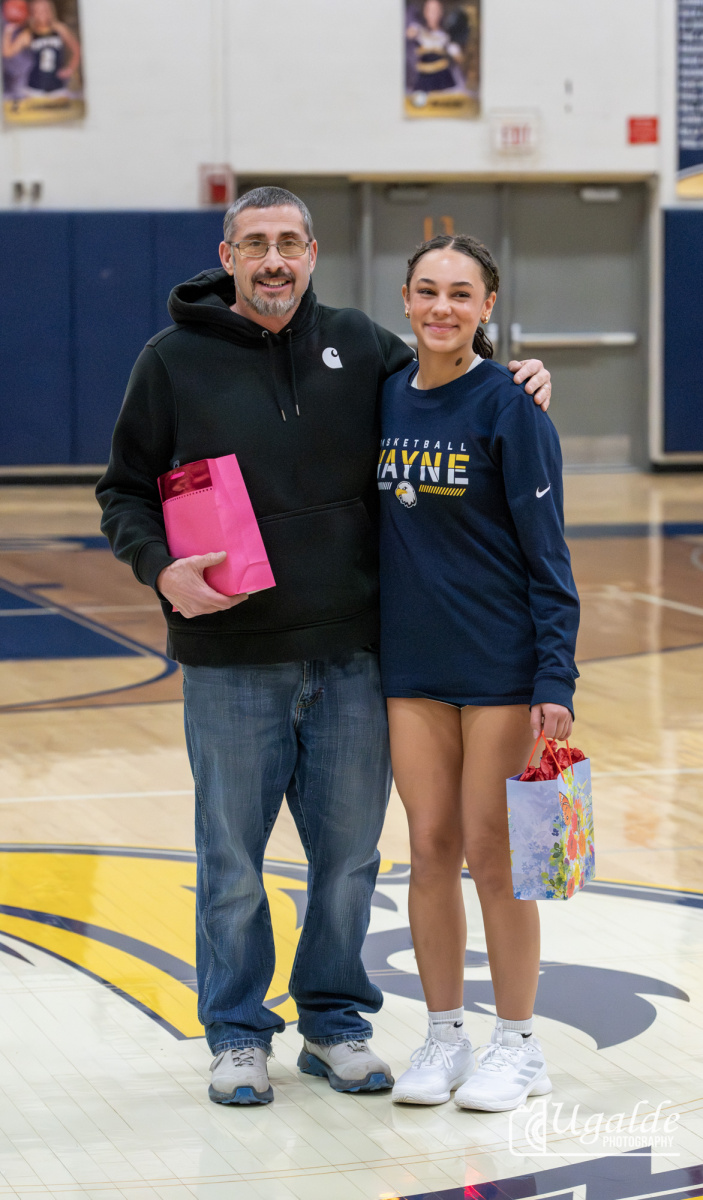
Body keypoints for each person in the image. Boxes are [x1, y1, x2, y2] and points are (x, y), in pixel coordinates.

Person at [96, 187, 552, 1107]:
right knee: (231, 862)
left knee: (348, 862)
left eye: (288, 243)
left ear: (312, 253)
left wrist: (519, 375)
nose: (273, 259)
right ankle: (236, 1033)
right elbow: (123, 492)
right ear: (227, 255)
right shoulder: (169, 360)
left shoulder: (361, 346)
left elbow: (449, 374)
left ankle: (336, 1023)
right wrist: (160, 568)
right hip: (230, 658)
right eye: (254, 243)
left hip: (354, 658)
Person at [378, 233, 579, 1111]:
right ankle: (443, 1035)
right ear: (405, 298)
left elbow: (549, 554)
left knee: (494, 857)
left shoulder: (511, 406)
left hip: (498, 665)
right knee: (428, 850)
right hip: (411, 665)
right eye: (427, 291)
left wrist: (554, 677)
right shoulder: (385, 394)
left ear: (486, 307)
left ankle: (520, 1046)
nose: (441, 308)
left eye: (460, 294)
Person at [2, 0, 80, 97]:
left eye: (44, 9)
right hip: (34, 88)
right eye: (37, 10)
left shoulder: (59, 29)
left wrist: (70, 68)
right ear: (32, 14)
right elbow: (8, 53)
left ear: (51, 10)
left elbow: (76, 48)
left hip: (58, 86)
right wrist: (8, 31)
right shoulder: (29, 34)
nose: (42, 13)